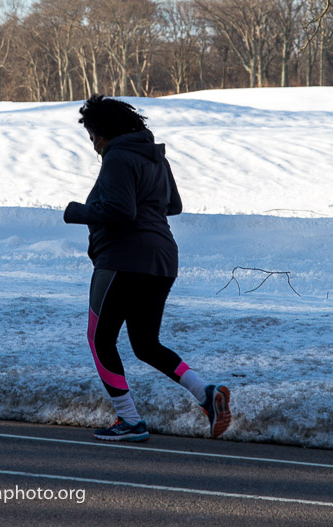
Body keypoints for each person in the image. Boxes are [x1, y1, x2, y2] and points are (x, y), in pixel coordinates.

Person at [64, 94, 231, 442]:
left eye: (94, 137)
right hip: (163, 259)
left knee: (100, 340)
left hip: (121, 260)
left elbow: (121, 211)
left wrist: (78, 212)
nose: (94, 146)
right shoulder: (155, 157)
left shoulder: (118, 158)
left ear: (105, 133)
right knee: (144, 343)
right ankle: (205, 393)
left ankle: (129, 420)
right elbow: (174, 205)